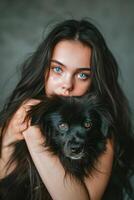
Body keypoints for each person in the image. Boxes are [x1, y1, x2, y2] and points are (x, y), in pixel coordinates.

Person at [0, 19, 133, 200]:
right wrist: (8, 136)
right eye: (57, 69)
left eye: (82, 75)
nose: (67, 85)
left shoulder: (100, 132)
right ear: (43, 70)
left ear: (94, 79)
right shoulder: (18, 114)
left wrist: (33, 135)